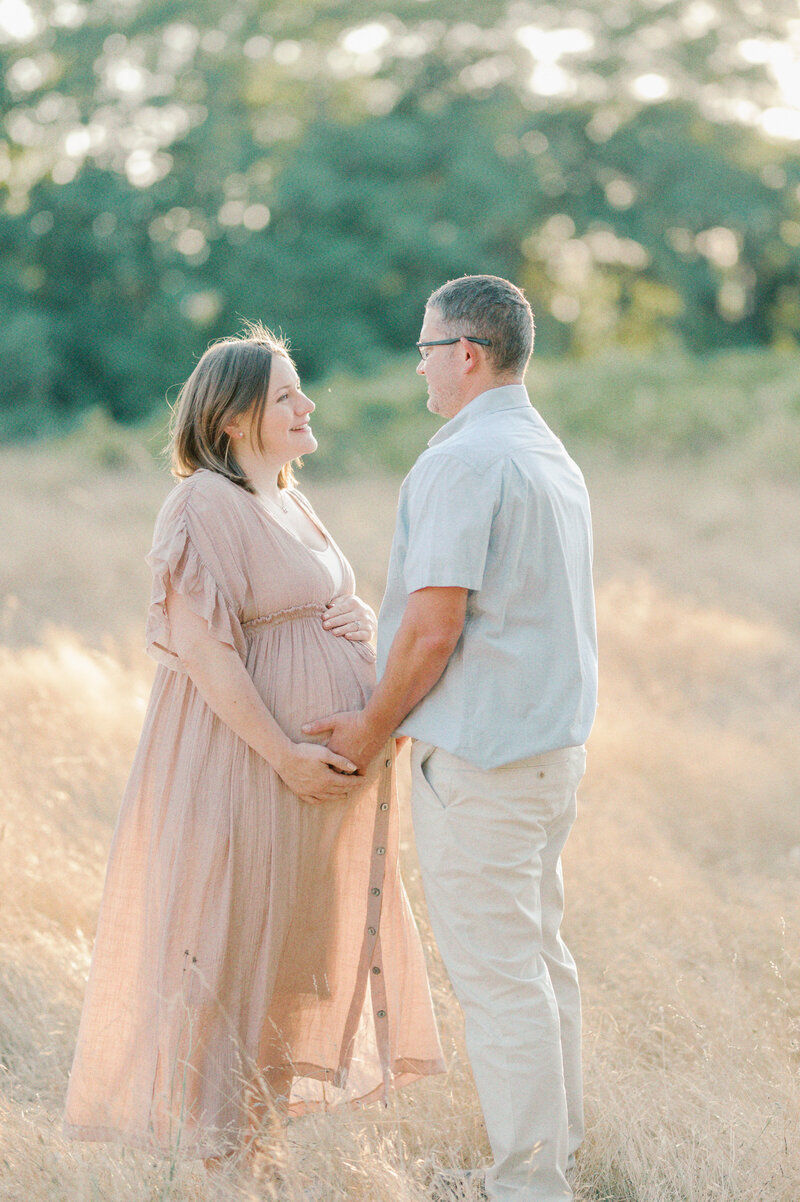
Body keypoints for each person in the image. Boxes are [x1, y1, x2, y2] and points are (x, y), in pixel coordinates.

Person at [63, 323, 444, 1166]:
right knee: (232, 957)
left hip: (312, 779)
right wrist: (283, 753)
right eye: (285, 395)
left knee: (293, 964)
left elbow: (301, 610)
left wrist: (356, 623)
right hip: (252, 768)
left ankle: (254, 1154)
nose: (307, 404)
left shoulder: (288, 496)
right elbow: (205, 653)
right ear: (233, 418)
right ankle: (214, 1156)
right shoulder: (201, 502)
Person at [303, 275, 598, 1201]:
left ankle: (527, 1187)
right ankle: (555, 1159)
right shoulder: (547, 452)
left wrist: (372, 725)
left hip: (483, 761)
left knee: (504, 981)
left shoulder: (463, 461)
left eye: (426, 348)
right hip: (547, 755)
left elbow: (434, 626)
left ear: (465, 353)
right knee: (542, 965)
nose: (422, 366)